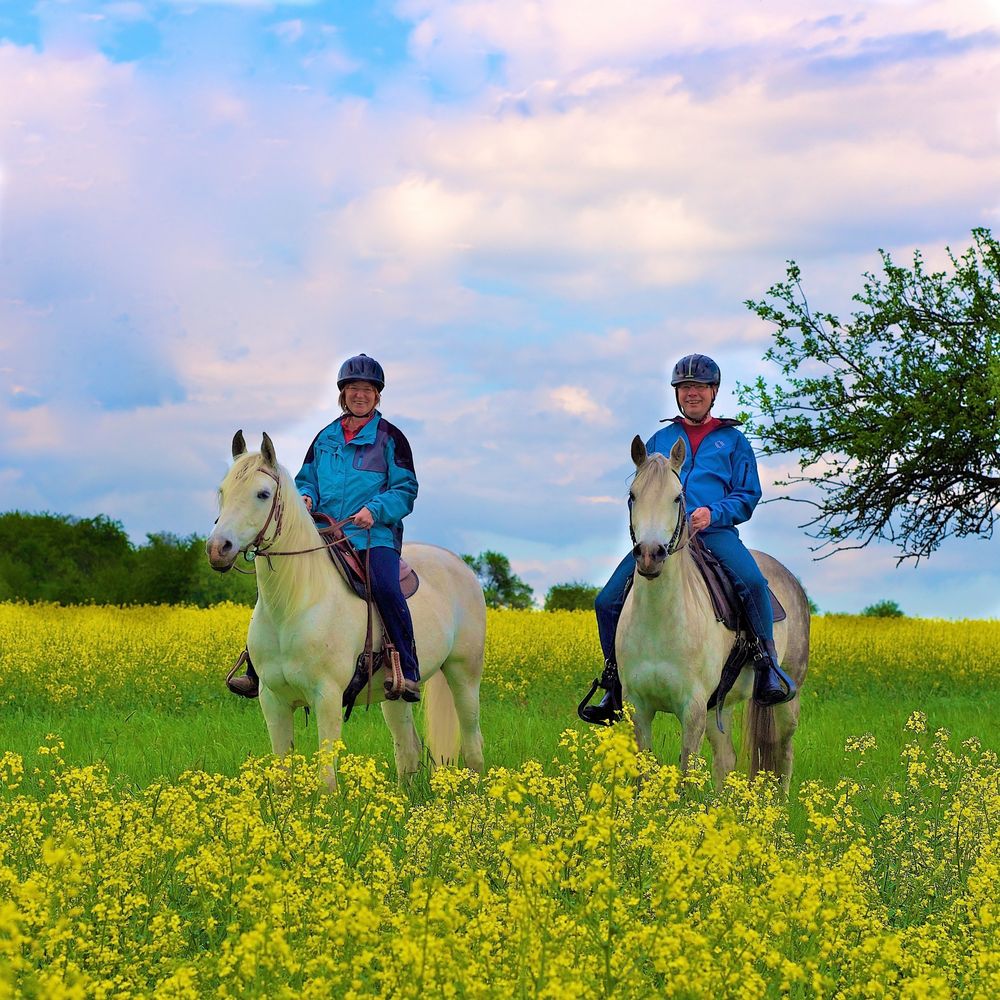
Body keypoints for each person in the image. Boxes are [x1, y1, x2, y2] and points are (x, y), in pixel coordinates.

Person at [578, 353, 797, 724]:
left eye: (699, 388)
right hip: (664, 539)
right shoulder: (660, 439)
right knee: (606, 600)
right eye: (684, 388)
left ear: (714, 392)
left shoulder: (732, 441)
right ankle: (615, 682)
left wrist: (714, 513)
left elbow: (749, 494)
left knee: (753, 582)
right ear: (677, 394)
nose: (691, 394)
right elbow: (645, 490)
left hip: (714, 533)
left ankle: (766, 666)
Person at [228, 353, 421, 702]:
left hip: (371, 535)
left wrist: (374, 510)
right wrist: (305, 497)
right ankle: (256, 668)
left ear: (377, 396)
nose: (359, 395)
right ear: (342, 394)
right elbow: (307, 480)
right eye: (352, 389)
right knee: (279, 583)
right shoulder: (325, 437)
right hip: (324, 534)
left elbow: (406, 489)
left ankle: (406, 668)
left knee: (386, 588)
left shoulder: (391, 438)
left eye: (367, 390)